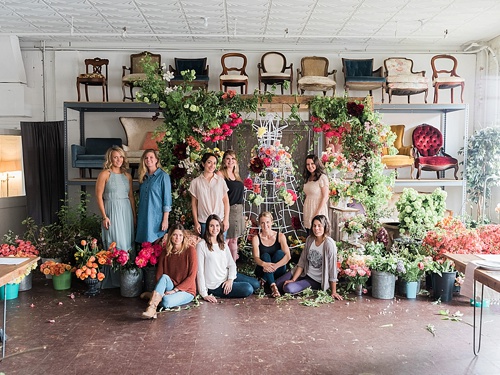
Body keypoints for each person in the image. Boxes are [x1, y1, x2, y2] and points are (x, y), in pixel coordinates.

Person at [276, 214, 343, 300]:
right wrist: (293, 279)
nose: (316, 229)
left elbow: (332, 269)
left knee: (288, 288)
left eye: (319, 226)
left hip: (316, 280)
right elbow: (302, 261)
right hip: (305, 272)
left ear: (325, 227)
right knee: (278, 284)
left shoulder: (329, 244)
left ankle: (304, 286)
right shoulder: (310, 239)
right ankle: (297, 283)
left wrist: (334, 292)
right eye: (314, 226)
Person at [95, 146, 136, 288]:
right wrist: (104, 216)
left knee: (127, 243)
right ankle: (115, 281)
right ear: (110, 159)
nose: (118, 160)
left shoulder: (127, 176)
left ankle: (128, 280)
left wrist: (134, 216)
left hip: (126, 212)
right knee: (115, 244)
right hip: (111, 211)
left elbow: (131, 197)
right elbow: (99, 196)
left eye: (121, 157)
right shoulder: (105, 174)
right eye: (115, 157)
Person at [196, 214, 260, 303]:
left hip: (226, 277)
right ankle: (223, 290)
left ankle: (233, 284)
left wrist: (230, 279)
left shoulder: (222, 243)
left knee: (256, 284)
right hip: (215, 285)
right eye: (211, 226)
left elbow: (231, 264)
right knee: (248, 289)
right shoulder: (201, 245)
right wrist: (204, 294)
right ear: (207, 227)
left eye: (217, 225)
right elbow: (200, 271)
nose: (215, 229)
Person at [142, 224, 198, 319]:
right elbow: (159, 275)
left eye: (180, 235)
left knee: (166, 301)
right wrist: (165, 289)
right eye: (175, 235)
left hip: (187, 290)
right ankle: (151, 308)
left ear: (183, 237)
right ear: (170, 236)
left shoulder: (190, 250)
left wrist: (175, 290)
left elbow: (192, 276)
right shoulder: (165, 251)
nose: (178, 238)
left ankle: (153, 296)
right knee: (164, 277)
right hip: (170, 285)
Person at [136, 149, 172, 244]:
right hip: (144, 216)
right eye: (146, 158)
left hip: (156, 217)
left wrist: (165, 219)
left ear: (156, 160)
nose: (148, 160)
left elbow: (167, 199)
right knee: (144, 247)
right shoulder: (143, 177)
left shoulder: (163, 176)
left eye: (151, 157)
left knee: (156, 247)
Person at [189, 152, 229, 237]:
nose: (212, 165)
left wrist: (226, 220)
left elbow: (226, 202)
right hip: (203, 222)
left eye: (214, 163)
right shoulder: (195, 182)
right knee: (205, 248)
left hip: (219, 221)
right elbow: (194, 205)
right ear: (203, 163)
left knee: (220, 248)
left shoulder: (220, 181)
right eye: (209, 162)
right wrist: (196, 222)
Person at [252, 211, 291, 298]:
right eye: (262, 223)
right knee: (265, 256)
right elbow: (256, 258)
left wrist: (275, 267)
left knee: (280, 253)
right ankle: (273, 286)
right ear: (259, 224)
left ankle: (265, 279)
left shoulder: (280, 236)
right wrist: (264, 264)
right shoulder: (256, 238)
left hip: (277, 270)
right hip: (262, 269)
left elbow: (288, 256)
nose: (265, 225)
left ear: (272, 222)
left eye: (267, 222)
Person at [218, 150, 245, 261]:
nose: (230, 161)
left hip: (238, 210)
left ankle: (233, 266)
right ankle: (223, 266)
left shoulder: (236, 175)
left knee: (234, 240)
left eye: (233, 159)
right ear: (224, 161)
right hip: (228, 210)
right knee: (226, 240)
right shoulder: (221, 174)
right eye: (228, 158)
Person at [302, 154, 329, 233]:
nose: (310, 166)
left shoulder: (322, 177)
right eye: (308, 164)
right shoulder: (308, 178)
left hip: (318, 210)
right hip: (308, 209)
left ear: (316, 163)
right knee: (309, 235)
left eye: (312, 163)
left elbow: (325, 196)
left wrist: (317, 213)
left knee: (318, 234)